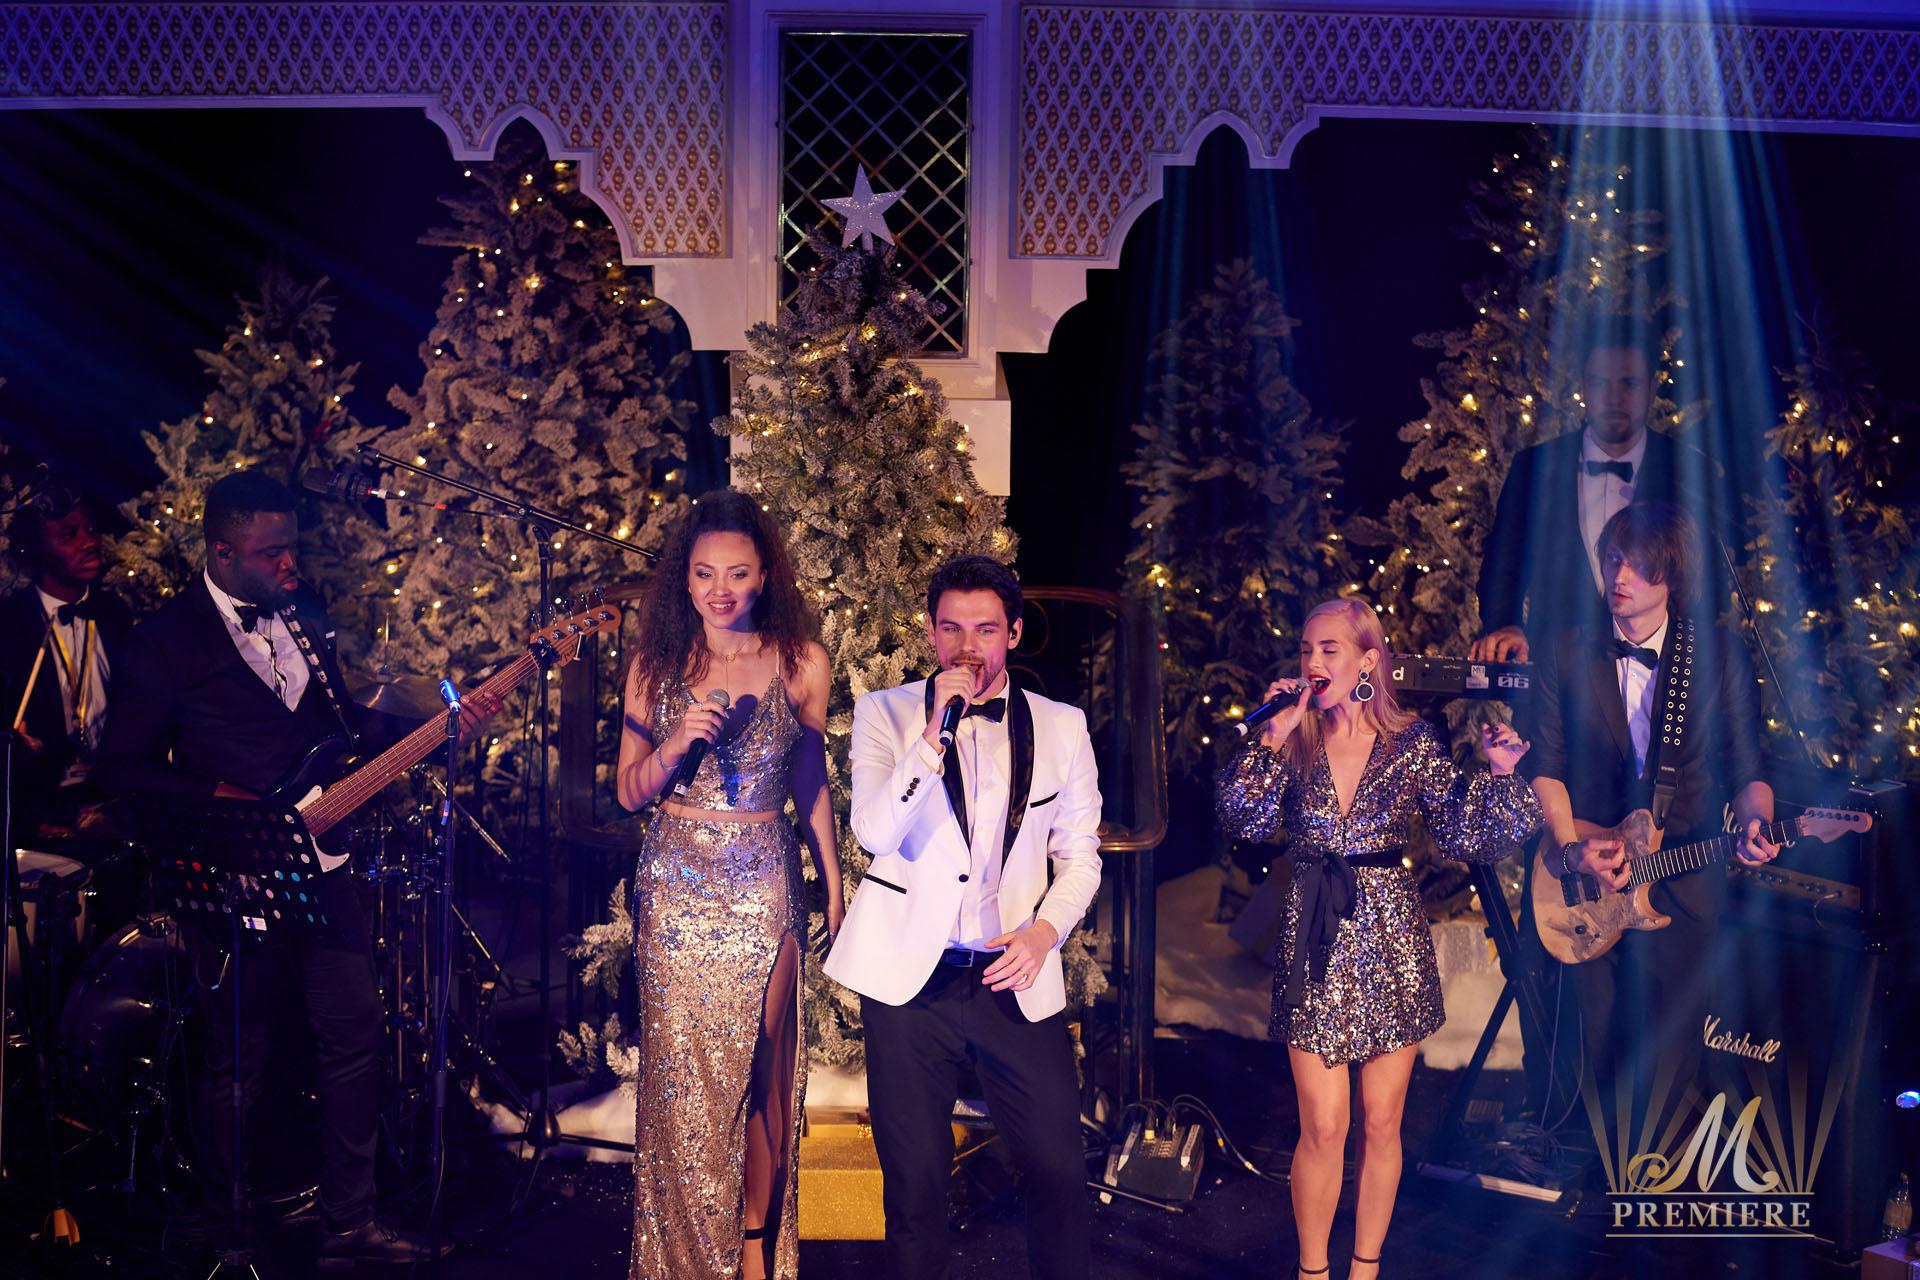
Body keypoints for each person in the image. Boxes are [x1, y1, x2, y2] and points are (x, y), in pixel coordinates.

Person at [94, 471, 498, 1268]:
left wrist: (439, 728)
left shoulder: (303, 616)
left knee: (354, 1035)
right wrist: (225, 800)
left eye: (292, 548)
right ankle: (224, 1225)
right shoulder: (164, 641)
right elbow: (121, 768)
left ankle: (349, 1223)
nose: (289, 564)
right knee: (238, 1057)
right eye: (270, 552)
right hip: (234, 869)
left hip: (323, 862)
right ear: (221, 552)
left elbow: (341, 730)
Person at [1216, 597, 1539, 1280]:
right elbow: (1243, 821)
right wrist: (1270, 739)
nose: (1313, 661)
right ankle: (1313, 1271)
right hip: (1314, 937)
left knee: (1382, 1122)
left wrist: (1502, 777)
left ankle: (1365, 1269)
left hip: (1391, 938)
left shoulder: (1410, 742)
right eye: (1306, 649)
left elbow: (1462, 834)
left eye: (1329, 649)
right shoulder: (1293, 736)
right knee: (1323, 1124)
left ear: (1368, 661)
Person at [826, 555, 1102, 1280]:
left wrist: (1044, 933)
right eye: (951, 629)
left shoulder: (1063, 727)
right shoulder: (885, 714)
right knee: (914, 1185)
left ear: (1014, 632)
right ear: (930, 631)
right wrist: (930, 741)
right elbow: (874, 833)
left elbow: (1081, 857)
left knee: (1057, 1170)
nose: (967, 648)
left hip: (1012, 972)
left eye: (984, 629)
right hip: (911, 984)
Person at [614, 489, 840, 1280]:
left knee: (759, 1071)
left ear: (764, 574)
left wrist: (832, 882)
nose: (720, 589)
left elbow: (810, 780)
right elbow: (629, 792)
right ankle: (679, 1259)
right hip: (676, 882)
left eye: (737, 573)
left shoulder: (802, 662)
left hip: (764, 879)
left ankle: (750, 1246)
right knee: (681, 1081)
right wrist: (675, 742)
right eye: (705, 573)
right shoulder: (654, 667)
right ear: (685, 577)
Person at [1520, 503, 1778, 1129]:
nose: (1620, 576)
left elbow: (1747, 767)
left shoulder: (1717, 656)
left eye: (1638, 565)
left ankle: (1649, 1173)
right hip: (1585, 880)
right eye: (1613, 560)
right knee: (1590, 1054)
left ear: (1672, 575)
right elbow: (1544, 766)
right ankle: (1585, 1165)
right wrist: (1570, 849)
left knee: (1667, 1064)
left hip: (1682, 881)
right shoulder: (1566, 652)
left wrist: (1756, 822)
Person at [1471, 332, 1687, 663]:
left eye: (1628, 384)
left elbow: (1704, 575)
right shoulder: (1533, 467)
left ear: (1651, 388)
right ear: (1584, 386)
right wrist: (1507, 625)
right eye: (1600, 383)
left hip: (1659, 668)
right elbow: (1503, 564)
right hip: (1556, 670)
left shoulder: (1684, 468)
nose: (1613, 399)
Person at [2, 471, 134, 840]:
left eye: (90, 529)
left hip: (111, 800)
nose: (90, 542)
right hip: (38, 813)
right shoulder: (9, 624)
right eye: (69, 534)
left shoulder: (115, 614)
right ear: (33, 549)